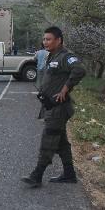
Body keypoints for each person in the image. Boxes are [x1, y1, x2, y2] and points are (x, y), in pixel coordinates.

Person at [21, 26, 86, 187]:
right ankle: (69, 174)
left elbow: (80, 69)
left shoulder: (66, 56)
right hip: (50, 106)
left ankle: (37, 175)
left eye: (49, 39)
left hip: (58, 108)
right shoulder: (52, 56)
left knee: (48, 140)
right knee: (61, 142)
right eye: (44, 39)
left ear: (59, 40)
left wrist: (65, 89)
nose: (45, 42)